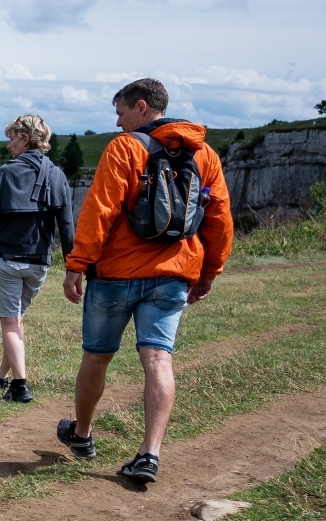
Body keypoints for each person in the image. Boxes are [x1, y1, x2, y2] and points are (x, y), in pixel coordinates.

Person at [58, 78, 233, 483]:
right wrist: (209, 271)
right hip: (173, 275)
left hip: (116, 274)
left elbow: (99, 209)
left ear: (141, 106)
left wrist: (77, 264)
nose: (119, 123)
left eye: (120, 113)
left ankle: (82, 435)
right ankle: (149, 454)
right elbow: (220, 218)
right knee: (157, 359)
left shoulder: (125, 148)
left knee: (97, 357)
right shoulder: (204, 154)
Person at [0, 112, 74, 403]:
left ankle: (19, 385)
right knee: (16, 319)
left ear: (25, 139)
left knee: (10, 323)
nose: (9, 144)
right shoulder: (57, 175)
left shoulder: (6, 173)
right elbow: (66, 224)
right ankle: (1, 375)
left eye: (12, 138)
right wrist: (73, 265)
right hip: (39, 262)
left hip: (8, 260)